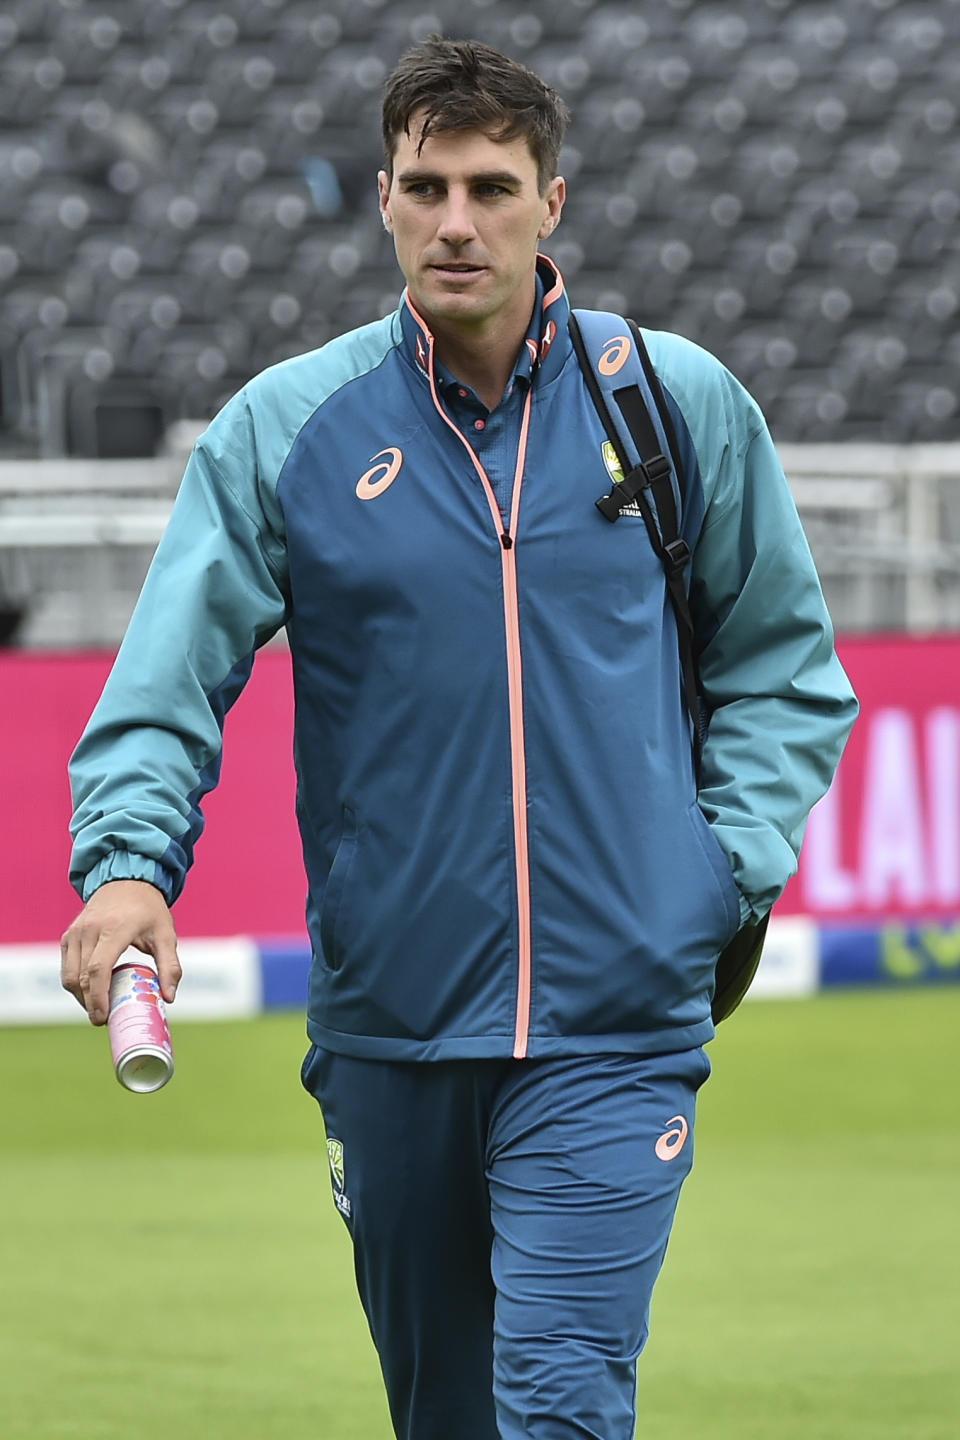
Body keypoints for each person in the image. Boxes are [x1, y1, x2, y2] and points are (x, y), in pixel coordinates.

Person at [62, 35, 858, 1440]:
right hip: (391, 1026)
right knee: (447, 1418)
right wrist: (129, 867)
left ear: (554, 202)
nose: (456, 221)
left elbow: (785, 671)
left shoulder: (672, 406)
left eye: (493, 186)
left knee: (558, 1405)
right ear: (382, 198)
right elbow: (168, 676)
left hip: (619, 1022)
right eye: (426, 186)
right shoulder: (286, 431)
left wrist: (714, 874)